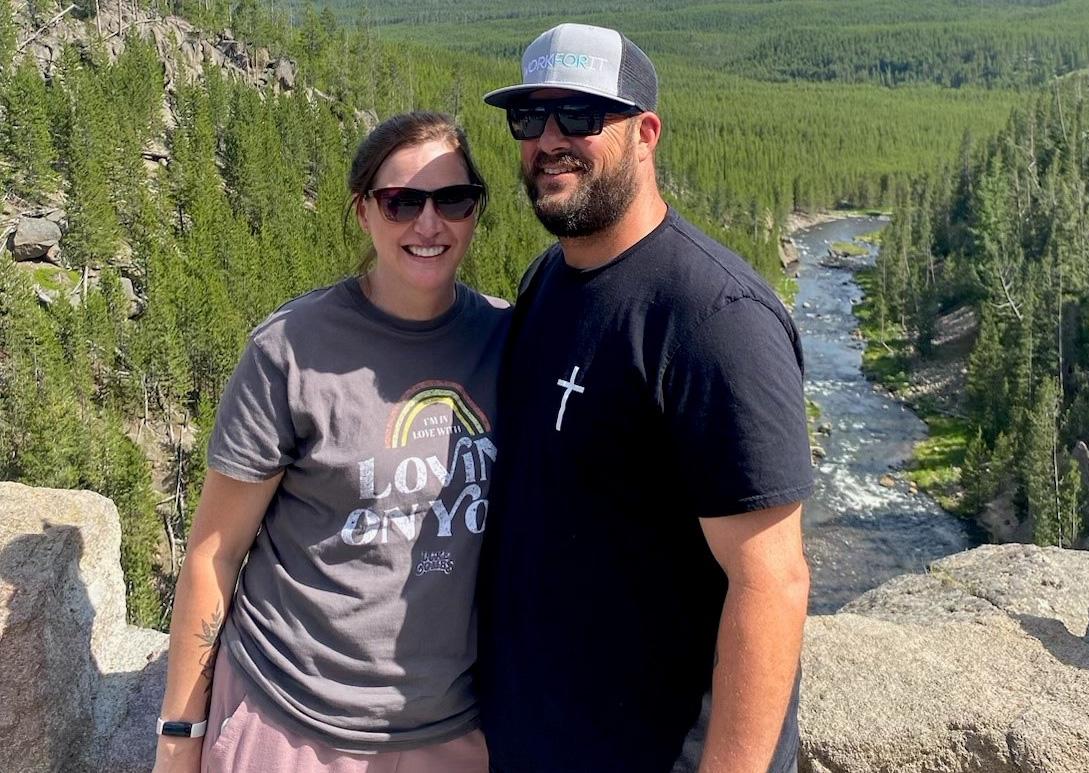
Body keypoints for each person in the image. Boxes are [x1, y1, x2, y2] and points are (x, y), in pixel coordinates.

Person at [478, 22, 814, 773]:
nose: (550, 139)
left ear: (645, 133)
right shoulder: (548, 281)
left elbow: (772, 580)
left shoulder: (713, 319)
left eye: (583, 115)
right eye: (530, 118)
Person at [152, 111, 507, 773]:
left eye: (453, 200)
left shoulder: (506, 339)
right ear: (362, 211)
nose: (429, 224)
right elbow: (214, 554)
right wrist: (180, 734)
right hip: (291, 721)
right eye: (401, 201)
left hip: (453, 731)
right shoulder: (290, 351)